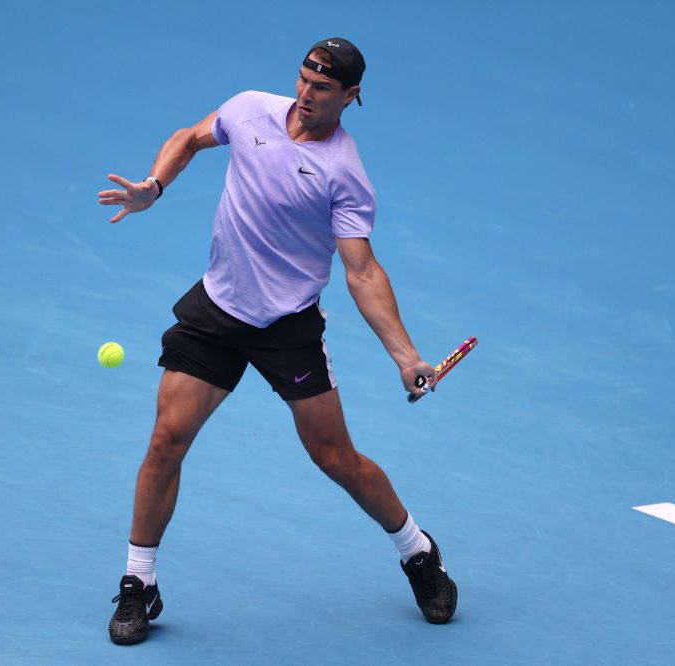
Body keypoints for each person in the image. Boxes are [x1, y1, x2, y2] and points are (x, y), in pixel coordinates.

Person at [98, 37, 457, 646]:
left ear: (351, 95)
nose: (306, 95)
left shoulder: (345, 173)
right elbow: (188, 137)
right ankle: (140, 583)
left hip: (288, 325)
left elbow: (362, 271)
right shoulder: (249, 110)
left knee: (335, 459)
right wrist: (153, 188)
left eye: (322, 88)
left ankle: (417, 551)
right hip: (218, 307)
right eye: (303, 80)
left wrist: (405, 357)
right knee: (166, 440)